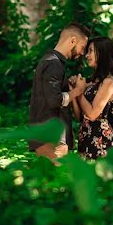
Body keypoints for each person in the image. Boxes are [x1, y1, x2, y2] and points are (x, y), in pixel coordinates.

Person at [28, 22, 90, 160]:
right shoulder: (53, 63)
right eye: (83, 47)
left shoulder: (53, 62)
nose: (82, 52)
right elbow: (54, 100)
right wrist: (78, 90)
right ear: (73, 40)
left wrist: (69, 87)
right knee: (54, 179)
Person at [71, 36, 113, 160]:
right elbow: (80, 116)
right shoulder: (94, 82)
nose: (86, 55)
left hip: (102, 142)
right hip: (86, 139)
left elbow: (92, 114)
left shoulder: (109, 82)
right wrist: (73, 89)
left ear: (102, 53)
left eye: (90, 50)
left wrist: (79, 91)